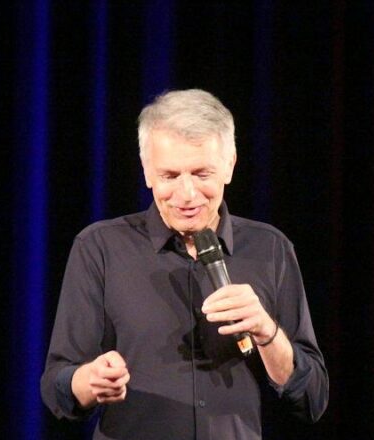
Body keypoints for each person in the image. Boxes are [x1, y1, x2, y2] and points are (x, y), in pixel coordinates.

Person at [40, 89, 328, 439]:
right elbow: (57, 388)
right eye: (170, 176)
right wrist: (89, 380)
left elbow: (312, 398)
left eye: (202, 174)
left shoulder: (271, 249)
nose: (187, 194)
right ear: (147, 172)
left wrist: (267, 333)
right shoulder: (100, 247)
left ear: (230, 165)